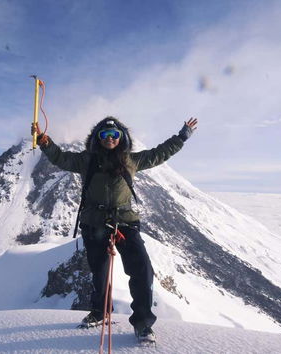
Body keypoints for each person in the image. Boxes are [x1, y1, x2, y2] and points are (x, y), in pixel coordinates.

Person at [31, 116, 198, 342]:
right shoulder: (86, 160)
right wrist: (44, 141)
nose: (110, 138)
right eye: (104, 135)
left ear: (122, 138)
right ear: (97, 138)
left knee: (141, 269)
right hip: (95, 222)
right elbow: (62, 159)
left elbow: (160, 153)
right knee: (99, 272)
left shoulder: (131, 160)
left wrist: (181, 137)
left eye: (114, 135)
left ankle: (143, 323)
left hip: (124, 221)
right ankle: (101, 312)